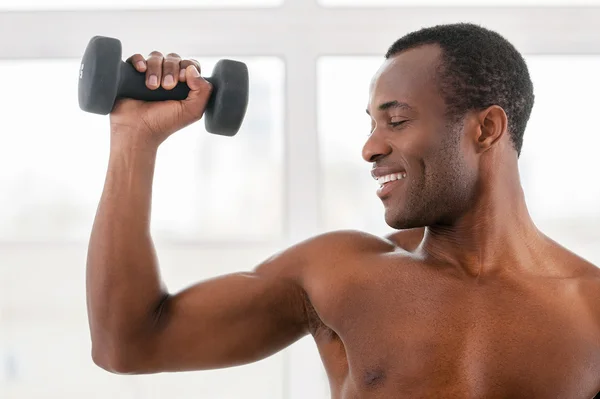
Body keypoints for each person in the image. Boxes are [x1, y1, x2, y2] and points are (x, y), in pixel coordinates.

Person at [85, 23, 600, 398]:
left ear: (485, 129)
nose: (370, 149)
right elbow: (128, 345)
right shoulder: (341, 273)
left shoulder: (591, 310)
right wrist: (134, 139)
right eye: (372, 125)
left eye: (395, 121)